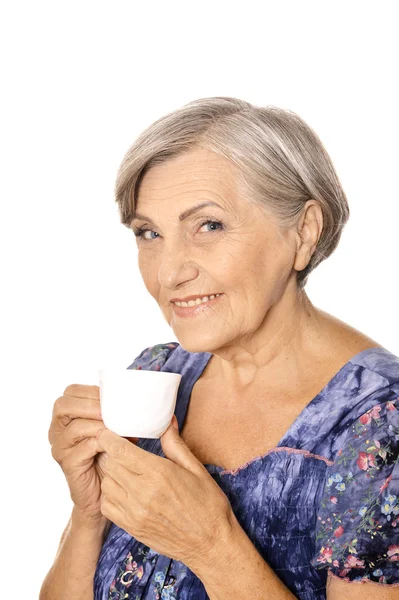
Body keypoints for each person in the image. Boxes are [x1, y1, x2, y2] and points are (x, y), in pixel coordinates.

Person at [40, 97, 399, 600]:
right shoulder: (154, 375)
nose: (169, 272)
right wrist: (88, 513)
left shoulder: (381, 421)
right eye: (150, 233)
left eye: (208, 226)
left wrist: (213, 545)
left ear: (303, 231)